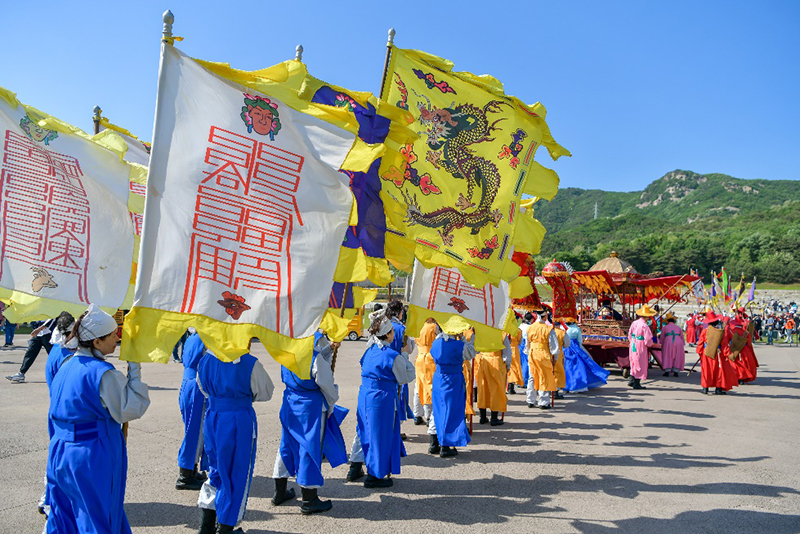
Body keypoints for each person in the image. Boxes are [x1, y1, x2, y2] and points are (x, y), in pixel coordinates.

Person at [46, 304, 150, 534]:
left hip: (60, 450)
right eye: (113, 335)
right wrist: (134, 367)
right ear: (97, 342)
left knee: (64, 518)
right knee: (98, 518)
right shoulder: (103, 372)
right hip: (91, 452)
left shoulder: (66, 364)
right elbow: (131, 408)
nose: (117, 339)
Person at [196, 341, 274, 534]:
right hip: (238, 418)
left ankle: (207, 524)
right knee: (237, 473)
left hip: (214, 416)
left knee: (215, 469)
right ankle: (226, 527)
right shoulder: (249, 363)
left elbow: (202, 387)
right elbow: (266, 392)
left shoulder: (206, 359)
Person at [272, 331, 342, 515]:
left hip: (290, 402)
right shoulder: (314, 358)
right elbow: (326, 384)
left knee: (286, 446)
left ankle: (279, 491)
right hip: (310, 407)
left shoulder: (287, 352)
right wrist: (332, 403)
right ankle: (309, 499)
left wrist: (329, 350)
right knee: (310, 449)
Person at [346, 308, 415, 488]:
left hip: (366, 396)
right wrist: (404, 355)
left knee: (366, 432)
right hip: (381, 399)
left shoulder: (370, 350)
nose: (394, 333)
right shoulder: (391, 355)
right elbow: (407, 376)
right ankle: (374, 476)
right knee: (380, 436)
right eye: (391, 331)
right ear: (388, 334)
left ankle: (361, 468)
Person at [427, 326, 476, 457]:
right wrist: (464, 338)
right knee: (451, 411)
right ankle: (445, 446)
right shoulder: (459, 345)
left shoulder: (436, 343)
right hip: (453, 379)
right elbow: (471, 353)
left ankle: (434, 443)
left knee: (437, 409)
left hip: (439, 378)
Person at [176, 329, 209, 491]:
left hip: (189, 383)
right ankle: (185, 476)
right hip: (197, 386)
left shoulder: (192, 337)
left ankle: (191, 469)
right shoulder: (204, 337)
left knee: (194, 431)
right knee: (196, 432)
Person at [696, 311, 738, 395]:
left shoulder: (704, 331)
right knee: (719, 371)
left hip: (706, 353)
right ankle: (718, 388)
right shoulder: (720, 332)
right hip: (718, 353)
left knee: (706, 371)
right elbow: (724, 345)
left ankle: (705, 388)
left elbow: (700, 343)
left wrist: (700, 352)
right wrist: (727, 354)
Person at [6, 316, 57, 383]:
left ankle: (61, 373)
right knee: (30, 353)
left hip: (48, 334)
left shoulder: (52, 310)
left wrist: (39, 329)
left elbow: (52, 320)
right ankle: (21, 373)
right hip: (38, 334)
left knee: (53, 356)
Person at [525, 308, 559, 409]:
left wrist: (528, 352)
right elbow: (553, 346)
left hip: (532, 353)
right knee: (544, 376)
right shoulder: (548, 329)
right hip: (543, 353)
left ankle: (530, 399)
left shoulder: (530, 327)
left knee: (532, 376)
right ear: (545, 316)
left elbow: (527, 343)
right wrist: (555, 357)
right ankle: (543, 401)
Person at [475, 334, 511, 425]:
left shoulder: (482, 332)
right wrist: (508, 365)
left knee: (483, 389)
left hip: (483, 361)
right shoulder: (502, 334)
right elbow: (506, 352)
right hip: (496, 361)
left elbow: (476, 349)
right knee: (496, 389)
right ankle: (494, 418)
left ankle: (482, 416)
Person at [562, 321, 609, 392]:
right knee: (579, 366)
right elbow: (580, 341)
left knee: (566, 367)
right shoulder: (576, 329)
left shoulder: (562, 328)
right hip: (576, 348)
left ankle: (565, 385)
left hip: (565, 348)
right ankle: (576, 385)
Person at [413, 318, 437, 426]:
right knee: (429, 386)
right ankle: (429, 415)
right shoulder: (433, 327)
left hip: (420, 357)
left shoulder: (419, 325)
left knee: (419, 386)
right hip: (430, 358)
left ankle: (417, 414)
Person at [627, 305, 656, 389]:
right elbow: (648, 339)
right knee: (640, 362)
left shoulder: (634, 323)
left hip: (633, 343)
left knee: (633, 361)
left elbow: (630, 334)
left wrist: (632, 340)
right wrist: (650, 344)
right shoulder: (644, 326)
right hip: (640, 344)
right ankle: (636, 383)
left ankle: (631, 379)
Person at [660, 312, 686, 377]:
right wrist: (682, 344)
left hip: (668, 341)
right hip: (678, 341)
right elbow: (682, 336)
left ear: (667, 321)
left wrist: (661, 344)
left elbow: (662, 337)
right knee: (677, 355)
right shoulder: (678, 327)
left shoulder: (665, 327)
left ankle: (667, 370)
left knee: (667, 355)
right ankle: (676, 371)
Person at [506, 328, 524, 395]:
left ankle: (509, 386)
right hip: (515, 349)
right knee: (515, 367)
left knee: (509, 367)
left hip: (506, 349)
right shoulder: (518, 330)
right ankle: (511, 386)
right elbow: (520, 340)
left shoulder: (505, 329)